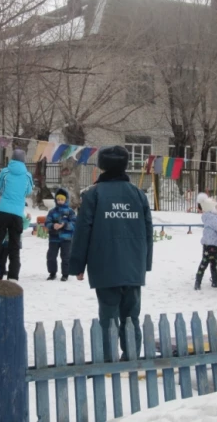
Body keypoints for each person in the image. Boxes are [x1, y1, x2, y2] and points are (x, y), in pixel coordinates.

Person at [69, 145, 153, 361]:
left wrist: (77, 265)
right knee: (131, 315)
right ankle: (132, 356)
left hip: (104, 263)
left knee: (108, 315)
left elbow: (82, 231)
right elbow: (148, 231)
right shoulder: (138, 194)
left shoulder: (94, 194)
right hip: (134, 265)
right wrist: (145, 262)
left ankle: (108, 357)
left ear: (102, 166)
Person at [0, 149, 33, 283]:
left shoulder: (5, 171)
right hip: (17, 214)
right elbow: (29, 190)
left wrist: (4, 192)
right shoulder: (28, 175)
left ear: (12, 158)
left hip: (3, 211)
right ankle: (13, 277)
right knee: (14, 246)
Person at [194, 197, 217, 290]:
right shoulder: (211, 217)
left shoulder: (214, 216)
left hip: (213, 242)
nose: (216, 207)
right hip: (211, 243)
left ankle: (215, 281)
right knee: (205, 262)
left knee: (213, 262)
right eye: (214, 206)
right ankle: (198, 281)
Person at [45, 188, 76, 281]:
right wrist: (53, 225)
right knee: (51, 256)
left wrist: (64, 225)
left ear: (65, 200)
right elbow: (47, 222)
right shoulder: (52, 211)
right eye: (58, 199)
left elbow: (74, 224)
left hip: (66, 238)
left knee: (66, 256)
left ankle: (65, 274)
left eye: (62, 199)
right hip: (54, 238)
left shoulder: (70, 211)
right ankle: (52, 272)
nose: (60, 201)